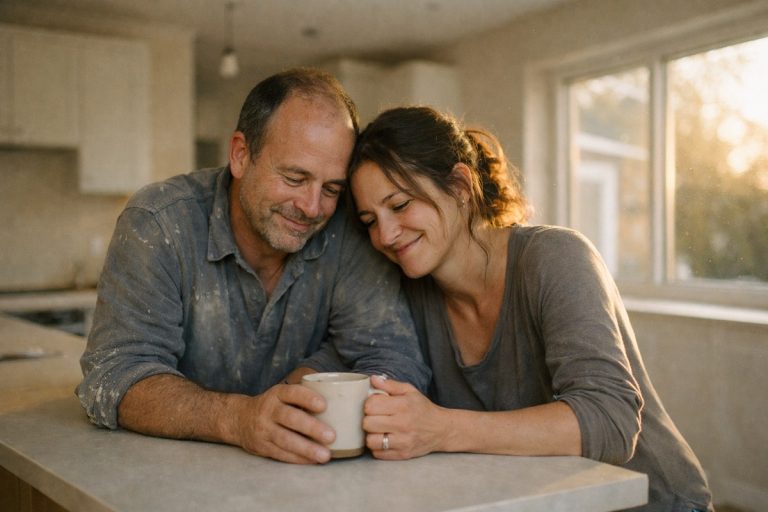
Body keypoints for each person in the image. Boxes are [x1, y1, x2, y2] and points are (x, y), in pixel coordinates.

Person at [348, 106, 713, 511]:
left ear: (460, 186)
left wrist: (441, 428)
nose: (385, 234)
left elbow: (611, 422)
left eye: (399, 205)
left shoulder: (556, 257)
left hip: (658, 504)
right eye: (369, 220)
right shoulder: (408, 291)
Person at [77, 69, 430, 466]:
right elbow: (113, 377)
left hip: (316, 481)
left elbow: (396, 362)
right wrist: (238, 418)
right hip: (169, 479)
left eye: (331, 189)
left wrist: (312, 374)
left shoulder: (348, 231)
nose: (313, 208)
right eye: (295, 178)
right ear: (241, 155)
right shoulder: (158, 223)